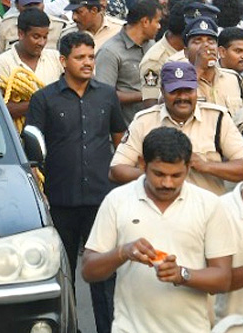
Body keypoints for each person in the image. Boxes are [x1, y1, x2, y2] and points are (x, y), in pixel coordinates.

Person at [83, 127, 234, 333]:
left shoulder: (209, 205)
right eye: (159, 174)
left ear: (189, 167)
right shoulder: (117, 201)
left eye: (176, 175)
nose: (167, 183)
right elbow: (89, 271)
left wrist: (182, 274)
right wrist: (122, 252)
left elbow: (223, 280)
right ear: (142, 164)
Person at [25, 30, 127, 333]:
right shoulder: (43, 99)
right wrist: (39, 192)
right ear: (63, 61)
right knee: (64, 272)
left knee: (104, 273)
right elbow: (32, 148)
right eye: (80, 57)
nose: (87, 63)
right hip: (60, 198)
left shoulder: (107, 95)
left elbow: (120, 140)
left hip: (100, 199)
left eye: (91, 56)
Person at [110, 61, 243, 194]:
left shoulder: (217, 118)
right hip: (158, 209)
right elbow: (117, 170)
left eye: (188, 90)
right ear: (162, 91)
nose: (183, 97)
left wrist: (205, 166)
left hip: (207, 211)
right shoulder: (144, 121)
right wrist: (157, 172)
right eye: (175, 91)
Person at [94, 0, 161, 123]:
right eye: (157, 21)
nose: (159, 26)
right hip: (127, 129)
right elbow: (103, 95)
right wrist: (146, 95)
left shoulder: (151, 44)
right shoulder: (110, 52)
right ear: (145, 22)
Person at [0, 8, 62, 120]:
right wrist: (39, 103)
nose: (41, 43)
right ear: (21, 34)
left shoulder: (56, 58)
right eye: (36, 37)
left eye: (45, 37)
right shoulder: (1, 63)